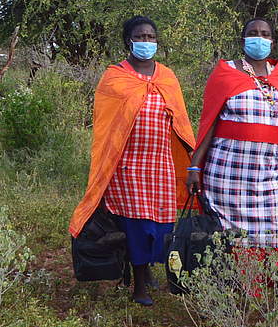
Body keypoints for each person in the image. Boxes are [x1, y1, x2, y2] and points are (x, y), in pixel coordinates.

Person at [70, 16, 197, 306]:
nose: (147, 42)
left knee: (162, 223)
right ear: (129, 40)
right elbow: (106, 129)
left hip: (161, 164)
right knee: (138, 226)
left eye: (151, 37)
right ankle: (139, 285)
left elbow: (181, 122)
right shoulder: (115, 78)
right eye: (141, 37)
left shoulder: (167, 76)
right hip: (127, 166)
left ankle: (148, 270)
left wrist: (191, 162)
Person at [186, 17, 278, 299]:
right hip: (227, 174)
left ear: (273, 41)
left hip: (268, 173)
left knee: (276, 230)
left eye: (265, 34)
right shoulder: (225, 73)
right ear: (243, 40)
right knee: (231, 237)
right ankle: (236, 297)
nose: (259, 38)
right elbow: (210, 124)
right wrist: (194, 165)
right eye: (253, 33)